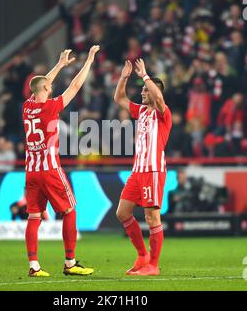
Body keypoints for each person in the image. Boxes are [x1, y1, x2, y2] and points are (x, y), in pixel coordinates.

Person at [23, 45, 100, 277]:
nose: (51, 85)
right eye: (49, 85)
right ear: (46, 88)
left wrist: (59, 64)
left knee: (34, 217)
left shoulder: (27, 107)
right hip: (49, 170)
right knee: (70, 211)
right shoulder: (50, 107)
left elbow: (41, 83)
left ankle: (34, 266)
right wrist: (89, 61)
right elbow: (75, 86)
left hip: (31, 171)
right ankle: (70, 262)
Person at [113, 59, 172, 276]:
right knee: (122, 213)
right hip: (137, 171)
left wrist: (146, 75)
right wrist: (125, 76)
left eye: (146, 90)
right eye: (142, 90)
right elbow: (119, 98)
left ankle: (153, 266)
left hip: (153, 170)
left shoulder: (163, 113)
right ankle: (142, 256)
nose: (142, 93)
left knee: (152, 217)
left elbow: (159, 98)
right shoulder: (141, 111)